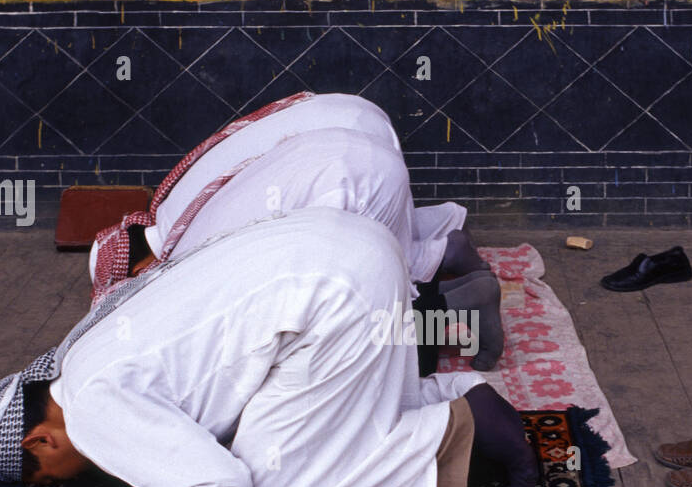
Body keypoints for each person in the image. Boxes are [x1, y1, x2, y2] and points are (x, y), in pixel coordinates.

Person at [0, 207, 536, 487]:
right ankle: (450, 396)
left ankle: (458, 426)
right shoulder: (83, 353)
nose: (64, 482)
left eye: (44, 478)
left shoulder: (89, 412)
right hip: (355, 245)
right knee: (326, 418)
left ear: (38, 439)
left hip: (333, 296)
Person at [89, 92, 502, 369]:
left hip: (346, 177)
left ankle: (455, 308)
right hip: (347, 140)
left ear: (139, 267)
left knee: (376, 324)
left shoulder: (187, 259)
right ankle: (453, 271)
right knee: (377, 272)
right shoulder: (174, 211)